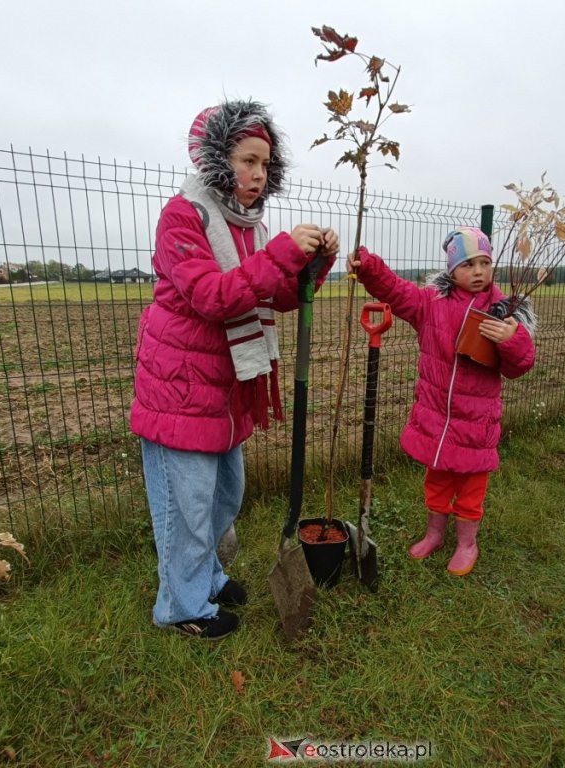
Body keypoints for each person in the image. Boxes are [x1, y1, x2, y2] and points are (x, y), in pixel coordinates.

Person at [132, 100, 338, 639]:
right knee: (187, 509)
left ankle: (207, 577)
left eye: (265, 165)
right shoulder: (182, 216)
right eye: (247, 160)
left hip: (224, 391)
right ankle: (180, 607)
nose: (257, 174)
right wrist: (281, 256)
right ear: (217, 160)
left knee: (224, 499)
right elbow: (212, 296)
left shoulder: (248, 226)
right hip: (180, 391)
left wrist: (311, 265)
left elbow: (269, 294)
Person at [347, 227, 536, 576]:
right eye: (468, 264)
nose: (478, 271)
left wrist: (512, 340)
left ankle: (467, 543)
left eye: (484, 263)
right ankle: (434, 533)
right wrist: (369, 267)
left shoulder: (504, 312)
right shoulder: (431, 304)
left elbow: (520, 366)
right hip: (436, 418)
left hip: (476, 423)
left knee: (470, 490)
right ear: (451, 270)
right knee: (437, 483)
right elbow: (396, 290)